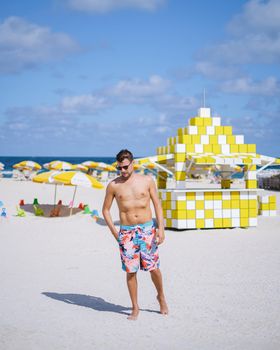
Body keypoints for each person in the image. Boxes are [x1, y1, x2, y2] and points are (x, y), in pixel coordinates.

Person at [102, 149, 168, 320]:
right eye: (119, 168)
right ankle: (135, 307)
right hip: (126, 232)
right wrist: (115, 233)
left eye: (125, 167)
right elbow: (106, 210)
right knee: (131, 272)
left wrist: (161, 228)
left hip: (147, 230)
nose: (122, 171)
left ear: (133, 163)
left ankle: (161, 296)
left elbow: (157, 205)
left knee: (153, 269)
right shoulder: (114, 185)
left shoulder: (147, 180)